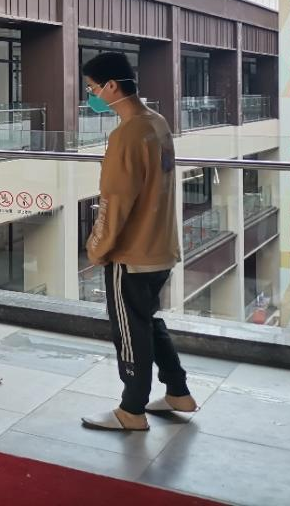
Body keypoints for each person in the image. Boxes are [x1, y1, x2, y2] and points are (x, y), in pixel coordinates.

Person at [78, 52, 195, 431]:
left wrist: (98, 248)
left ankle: (132, 409)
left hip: (131, 254)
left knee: (129, 332)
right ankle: (177, 390)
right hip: (161, 247)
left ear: (111, 86)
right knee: (147, 321)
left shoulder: (126, 134)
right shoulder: (157, 123)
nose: (91, 96)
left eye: (92, 88)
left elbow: (115, 201)